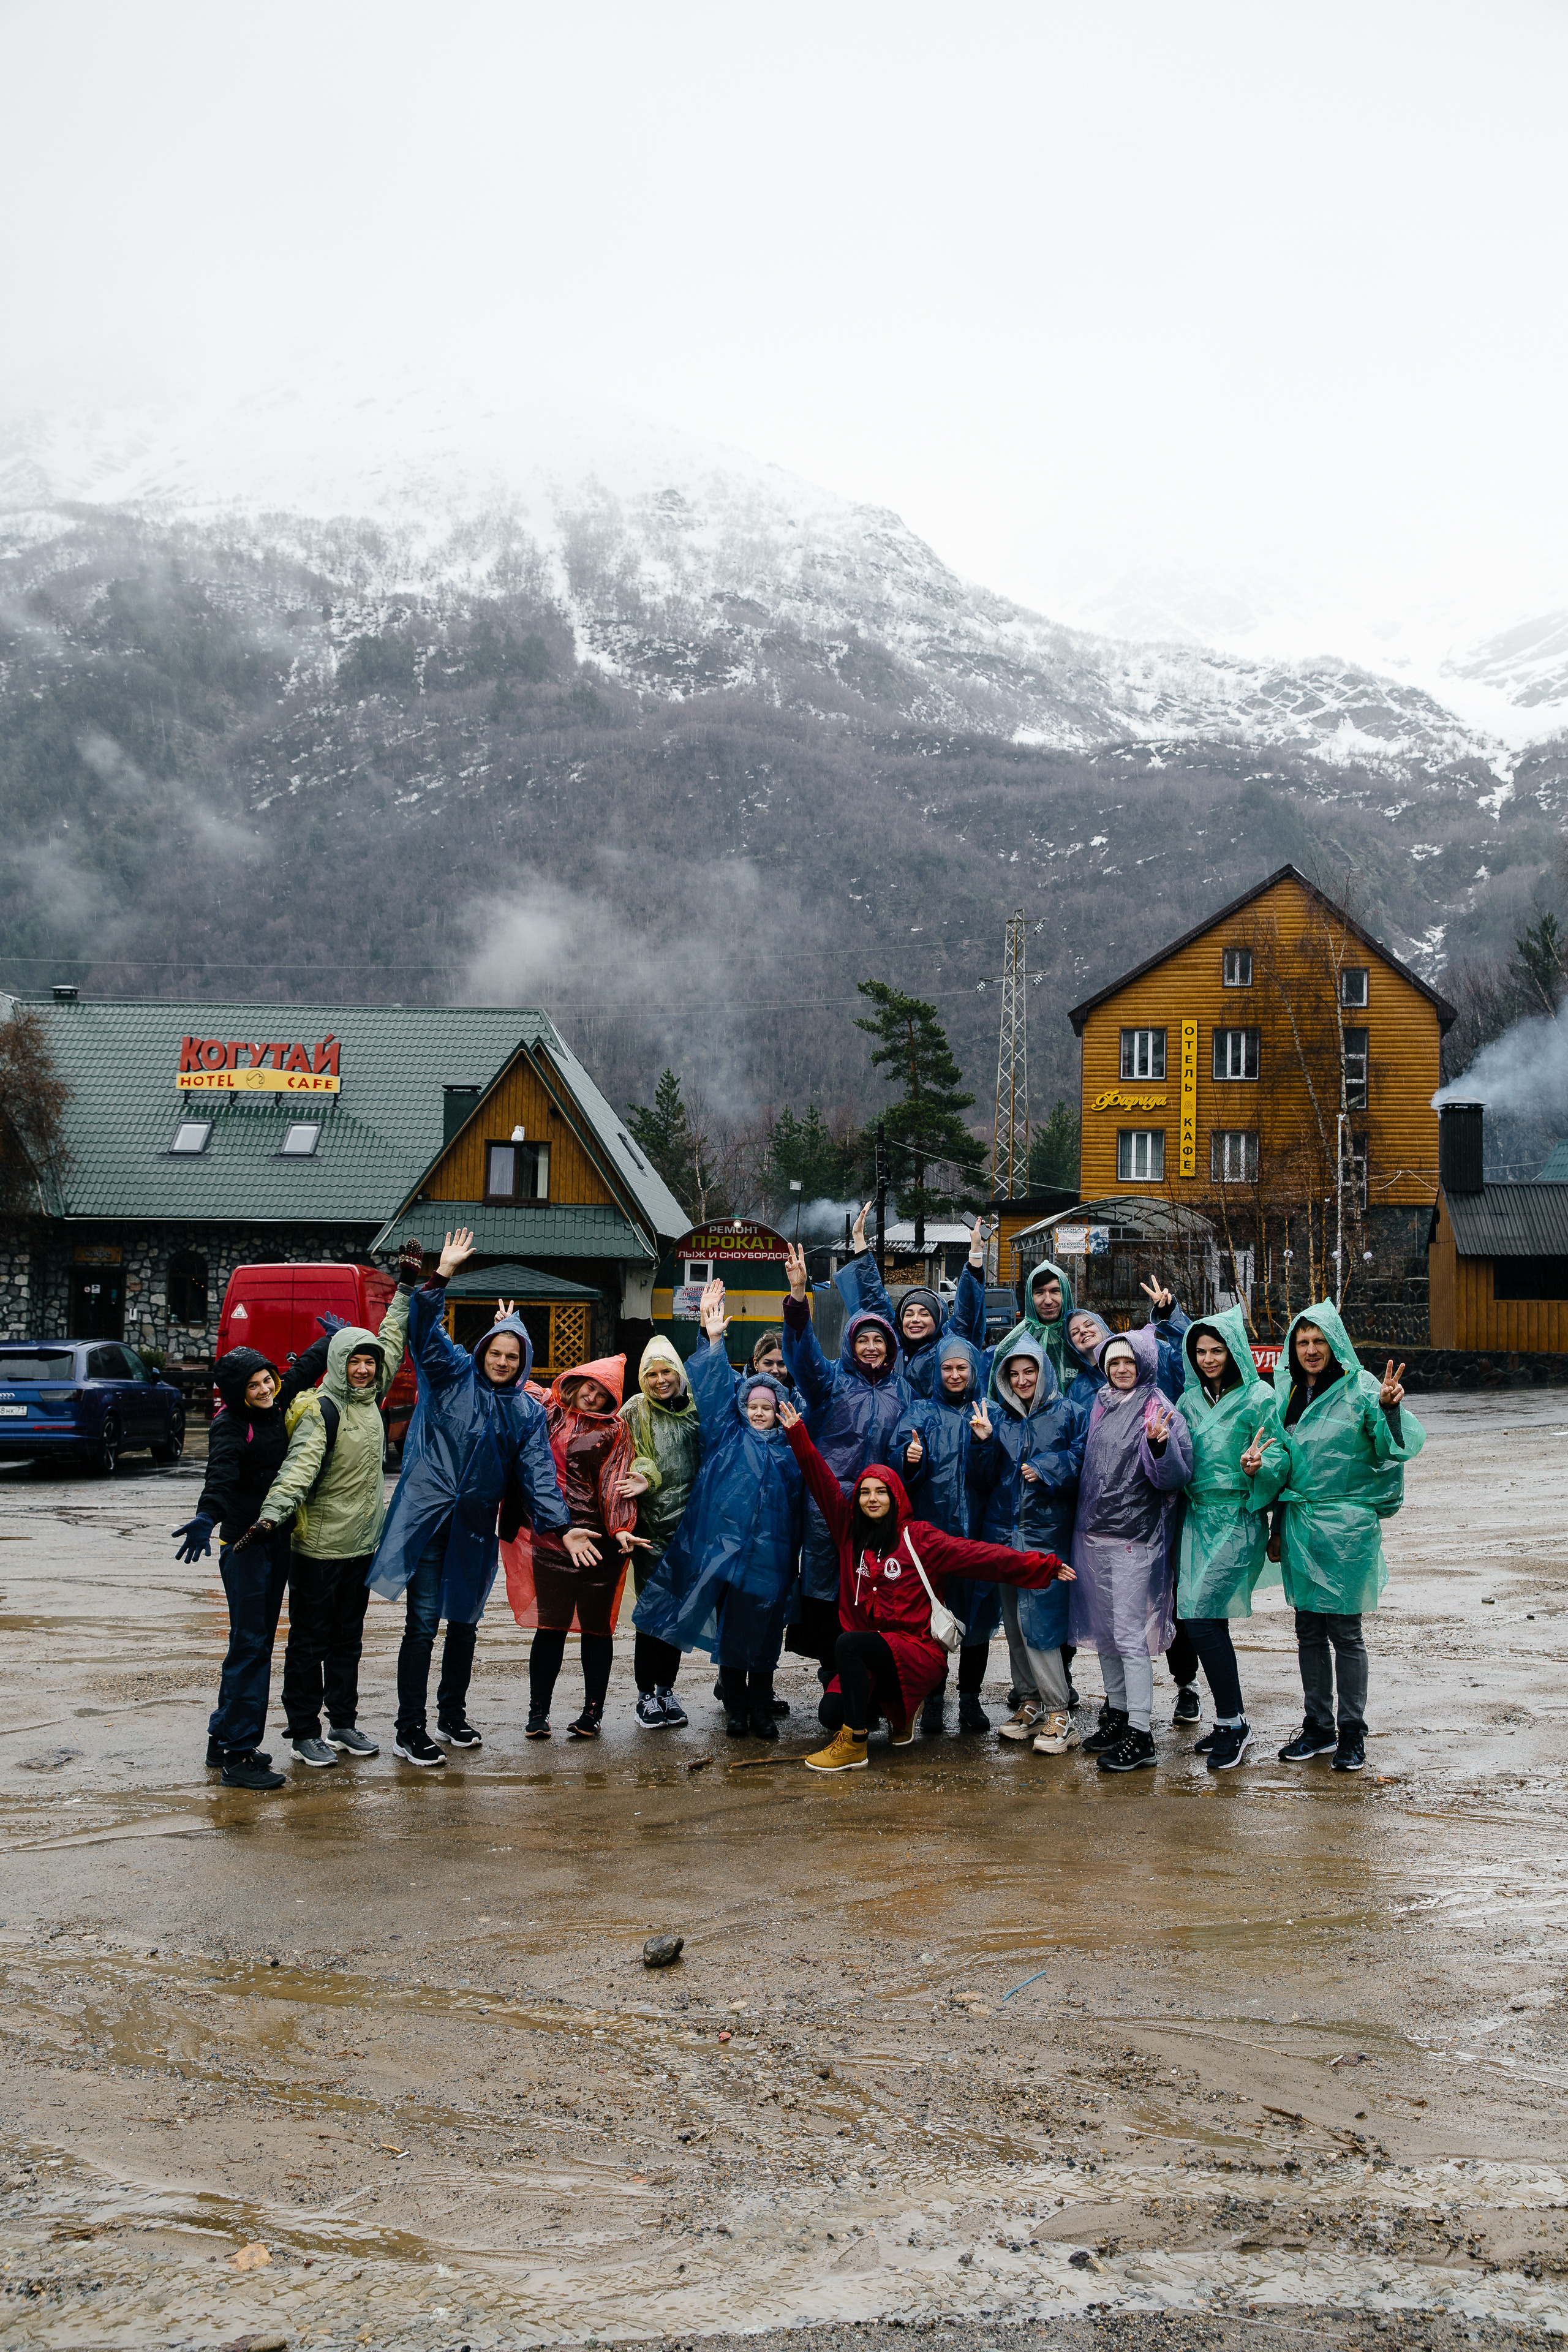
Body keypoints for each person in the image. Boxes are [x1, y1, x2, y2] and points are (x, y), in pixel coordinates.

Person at [367, 1229, 592, 1766]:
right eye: (497, 1351)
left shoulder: (525, 1412)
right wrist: (440, 1276)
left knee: (464, 1621)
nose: (503, 1361)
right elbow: (421, 1330)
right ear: (483, 1349)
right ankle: (409, 1726)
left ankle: (451, 1714)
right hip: (425, 1519)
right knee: (422, 1623)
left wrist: (560, 1526)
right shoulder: (448, 1376)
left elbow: (539, 1473)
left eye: (513, 1356)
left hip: (472, 1529)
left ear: (523, 1360)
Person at [778, 1399, 1073, 1774]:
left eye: (881, 1492)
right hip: (874, 1655)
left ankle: (855, 1744)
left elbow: (982, 1557)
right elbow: (821, 1482)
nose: (872, 1499)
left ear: (895, 1496)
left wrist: (1043, 1565)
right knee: (830, 1711)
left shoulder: (918, 1539)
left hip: (918, 1652)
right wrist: (797, 1434)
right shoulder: (849, 1534)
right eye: (866, 1492)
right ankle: (898, 1717)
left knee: (848, 1644)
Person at [248, 1246, 418, 1766]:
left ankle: (342, 1723)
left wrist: (405, 1290)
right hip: (319, 1550)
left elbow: (390, 1336)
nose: (365, 1368)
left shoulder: (373, 1402)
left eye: (369, 1362)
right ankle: (303, 1730)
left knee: (349, 1642)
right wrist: (274, 1511)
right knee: (308, 1643)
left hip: (361, 1546)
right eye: (355, 1361)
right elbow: (298, 1467)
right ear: (339, 1363)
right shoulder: (323, 1409)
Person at [634, 1281, 804, 1739]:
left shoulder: (793, 1449)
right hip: (729, 1555)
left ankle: (760, 1706)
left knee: (767, 1635)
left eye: (767, 1407)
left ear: (782, 1410)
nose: (758, 1412)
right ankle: (734, 1706)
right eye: (751, 1405)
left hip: (774, 1559)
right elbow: (710, 1392)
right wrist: (713, 1339)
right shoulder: (728, 1436)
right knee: (732, 1634)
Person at [173, 1340, 339, 1792]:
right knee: (250, 1648)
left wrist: (328, 1343)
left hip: (275, 1540)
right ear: (235, 1392)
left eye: (267, 1379)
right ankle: (239, 1756)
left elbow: (302, 1371)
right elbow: (221, 1473)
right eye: (253, 1386)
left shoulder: (276, 1402)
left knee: (256, 1643)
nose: (265, 1389)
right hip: (245, 1547)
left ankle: (221, 1737)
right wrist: (208, 1517)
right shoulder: (231, 1425)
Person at [1268, 1303, 1424, 1774]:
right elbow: (1283, 1462)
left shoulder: (1363, 1391)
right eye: (1303, 1342)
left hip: (1347, 1530)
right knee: (1308, 1629)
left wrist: (1390, 1410)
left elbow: (1389, 1447)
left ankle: (1352, 1732)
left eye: (1319, 1341)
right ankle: (1318, 1727)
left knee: (1346, 1632)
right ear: (1293, 1349)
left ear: (1335, 1343)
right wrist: (1277, 1526)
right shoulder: (1290, 1394)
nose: (1311, 1350)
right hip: (1300, 1525)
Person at [780, 1240, 909, 1687]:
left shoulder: (901, 1390)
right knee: (828, 1591)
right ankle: (834, 1678)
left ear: (890, 1346)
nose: (871, 1347)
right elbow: (803, 1356)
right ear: (851, 1344)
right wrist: (798, 1300)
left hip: (880, 1504)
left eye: (879, 1340)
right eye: (863, 1340)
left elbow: (915, 1432)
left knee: (874, 1589)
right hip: (830, 1504)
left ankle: (868, 1677)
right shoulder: (830, 1383)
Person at [1069, 1326, 1193, 1773]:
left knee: (1128, 1636)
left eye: (1129, 1362)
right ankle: (1118, 1715)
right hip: (1094, 1535)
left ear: (1143, 1363)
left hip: (1133, 1538)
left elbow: (1176, 1478)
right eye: (1114, 1362)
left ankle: (1141, 1733)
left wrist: (1160, 1447)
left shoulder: (1159, 1408)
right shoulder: (1101, 1404)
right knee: (1106, 1634)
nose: (1121, 1369)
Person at [1169, 1306, 1287, 1770]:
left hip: (1238, 1516)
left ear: (1234, 1350)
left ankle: (1233, 1722)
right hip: (1195, 1519)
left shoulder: (1260, 1397)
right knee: (1203, 1618)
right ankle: (1229, 1720)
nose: (1208, 1359)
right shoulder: (1188, 1401)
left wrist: (1262, 1467)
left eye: (1217, 1350)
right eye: (1200, 1351)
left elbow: (1281, 1453)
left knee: (1199, 1618)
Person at [503, 1346, 639, 1740]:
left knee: (597, 1631)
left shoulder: (615, 1430)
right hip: (552, 1540)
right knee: (550, 1628)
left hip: (599, 1544)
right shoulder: (548, 1410)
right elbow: (509, 1381)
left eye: (603, 1393)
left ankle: (591, 1715)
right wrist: (513, 1338)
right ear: (577, 1380)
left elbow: (616, 1484)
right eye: (589, 1387)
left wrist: (620, 1529)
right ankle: (537, 1714)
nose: (592, 1397)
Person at [966, 1331, 1087, 1754]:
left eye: (1029, 1371)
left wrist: (1045, 1467)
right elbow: (982, 1480)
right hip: (1004, 1534)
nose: (1021, 1380)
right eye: (1014, 1373)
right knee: (1015, 1626)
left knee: (1042, 1627)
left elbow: (1082, 1460)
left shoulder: (1070, 1412)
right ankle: (1030, 1701)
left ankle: (1059, 1712)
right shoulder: (997, 1418)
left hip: (1045, 1535)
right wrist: (981, 1445)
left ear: (1043, 1371)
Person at [891, 1332, 998, 1734]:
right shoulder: (920, 1413)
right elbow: (898, 1466)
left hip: (977, 1534)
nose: (954, 1375)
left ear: (973, 1371)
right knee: (933, 1620)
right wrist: (909, 1458)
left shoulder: (987, 1412)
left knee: (976, 1621)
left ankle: (970, 1698)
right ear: (938, 1372)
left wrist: (986, 1443)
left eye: (962, 1368)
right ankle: (933, 1699)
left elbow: (993, 1480)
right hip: (931, 1536)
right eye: (948, 1369)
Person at [618, 1336, 703, 1728]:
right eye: (650, 1373)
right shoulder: (635, 1410)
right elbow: (629, 1455)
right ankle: (645, 1694)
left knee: (676, 1617)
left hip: (689, 1531)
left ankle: (667, 1690)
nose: (659, 1380)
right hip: (650, 1531)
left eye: (666, 1370)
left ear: (679, 1372)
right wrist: (646, 1479)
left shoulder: (696, 1410)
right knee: (651, 1617)